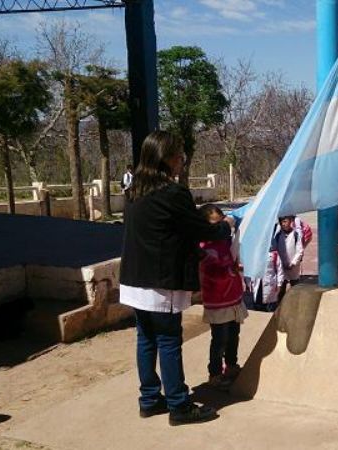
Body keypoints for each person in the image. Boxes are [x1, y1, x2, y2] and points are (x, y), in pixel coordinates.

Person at [119, 131, 233, 426]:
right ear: (166, 158)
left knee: (145, 338)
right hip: (161, 280)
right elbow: (200, 229)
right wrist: (225, 227)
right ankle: (179, 405)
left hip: (134, 279)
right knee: (169, 340)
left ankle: (149, 398)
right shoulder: (172, 193)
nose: (182, 161)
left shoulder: (133, 192)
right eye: (179, 155)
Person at [198, 204, 247, 390]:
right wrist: (231, 270)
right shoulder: (205, 249)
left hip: (233, 297)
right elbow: (213, 273)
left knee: (234, 334)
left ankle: (231, 365)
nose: (220, 230)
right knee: (219, 339)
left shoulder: (227, 243)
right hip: (218, 302)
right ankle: (215, 373)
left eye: (222, 224)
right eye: (214, 225)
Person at [276, 215, 304, 300]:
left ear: (291, 221)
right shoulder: (278, 235)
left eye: (285, 221)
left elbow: (300, 251)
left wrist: (293, 263)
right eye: (281, 222)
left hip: (293, 268)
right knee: (281, 290)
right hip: (282, 267)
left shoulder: (295, 234)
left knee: (295, 288)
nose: (283, 224)